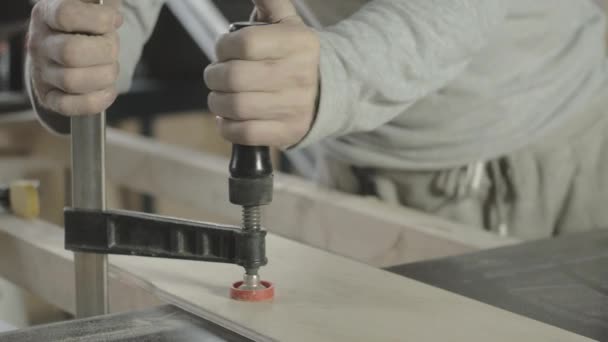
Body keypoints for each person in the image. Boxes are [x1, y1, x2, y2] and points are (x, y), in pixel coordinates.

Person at [26, 0, 608, 240]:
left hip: (531, 139)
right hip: (355, 150)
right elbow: (108, 14)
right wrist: (78, 57)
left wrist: (340, 74)